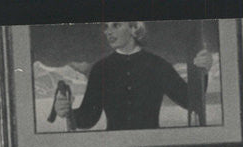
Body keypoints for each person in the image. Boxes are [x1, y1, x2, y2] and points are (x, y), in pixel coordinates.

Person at [53, 22, 213, 131]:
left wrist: (203, 71)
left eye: (116, 25)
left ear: (134, 28)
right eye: (106, 27)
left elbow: (190, 100)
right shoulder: (100, 69)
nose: (108, 31)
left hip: (153, 146)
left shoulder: (157, 65)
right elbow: (88, 119)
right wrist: (67, 112)